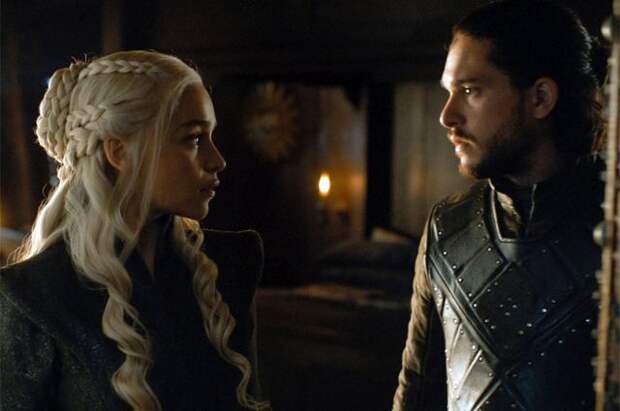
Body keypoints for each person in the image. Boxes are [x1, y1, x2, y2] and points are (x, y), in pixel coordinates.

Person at [0, 50, 271, 411]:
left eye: (210, 137)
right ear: (119, 152)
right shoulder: (33, 295)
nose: (217, 160)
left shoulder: (232, 264)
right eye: (193, 139)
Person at [392, 1, 607, 410]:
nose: (447, 116)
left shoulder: (611, 220)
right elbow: (418, 393)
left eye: (470, 90)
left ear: (540, 98)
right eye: (449, 92)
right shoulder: (446, 226)